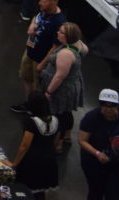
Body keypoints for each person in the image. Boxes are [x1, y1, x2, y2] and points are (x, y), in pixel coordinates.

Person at [78, 89, 119, 200]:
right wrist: (97, 154)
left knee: (114, 194)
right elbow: (82, 140)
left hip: (117, 162)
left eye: (112, 106)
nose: (108, 109)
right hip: (94, 161)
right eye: (105, 106)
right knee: (96, 191)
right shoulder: (91, 117)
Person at [38, 21, 86, 152]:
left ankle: (57, 142)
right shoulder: (78, 45)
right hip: (71, 85)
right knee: (66, 112)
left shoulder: (65, 53)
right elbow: (85, 49)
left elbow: (60, 75)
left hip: (61, 89)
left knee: (58, 115)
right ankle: (66, 137)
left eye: (61, 32)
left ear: (68, 36)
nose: (58, 33)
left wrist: (48, 92)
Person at [8, 91, 60, 198]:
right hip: (49, 161)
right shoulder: (55, 120)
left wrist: (15, 164)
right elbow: (56, 141)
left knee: (26, 191)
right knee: (41, 191)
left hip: (33, 162)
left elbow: (25, 146)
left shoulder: (32, 123)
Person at [20, 0, 65, 98]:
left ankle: (36, 109)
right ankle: (29, 103)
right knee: (26, 77)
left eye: (43, 1)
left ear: (52, 3)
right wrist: (32, 25)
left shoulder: (59, 22)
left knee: (38, 86)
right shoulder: (44, 10)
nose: (40, 3)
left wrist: (43, 64)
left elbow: (55, 47)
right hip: (30, 50)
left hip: (40, 58)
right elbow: (36, 17)